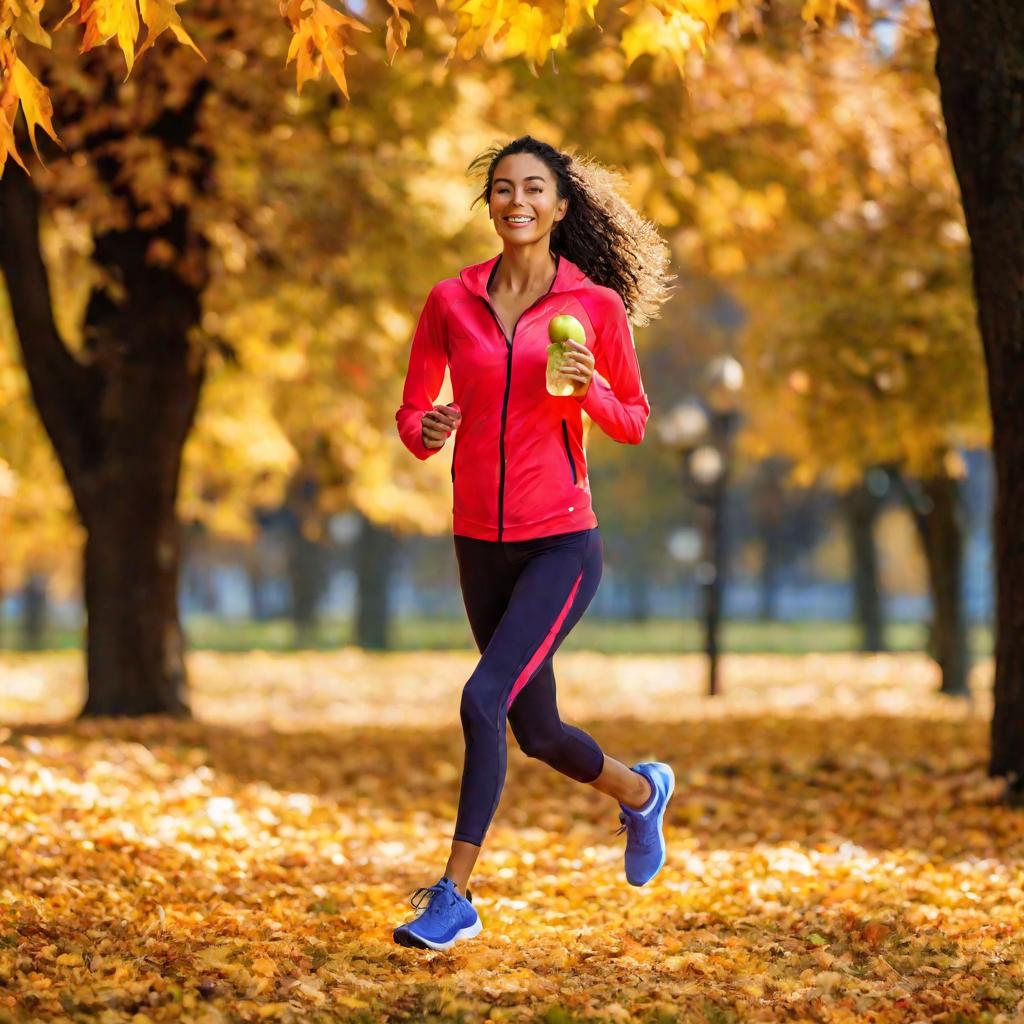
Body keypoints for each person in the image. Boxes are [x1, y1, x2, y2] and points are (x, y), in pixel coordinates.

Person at [392, 135, 677, 951]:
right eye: (504, 189)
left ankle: (453, 896)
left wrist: (589, 390)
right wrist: (430, 426)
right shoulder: (450, 300)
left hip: (561, 542)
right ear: (492, 205)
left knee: (481, 699)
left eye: (534, 189)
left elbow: (634, 420)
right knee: (535, 729)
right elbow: (413, 415)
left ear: (558, 206)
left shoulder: (594, 309)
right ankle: (639, 791)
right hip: (478, 541)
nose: (518, 201)